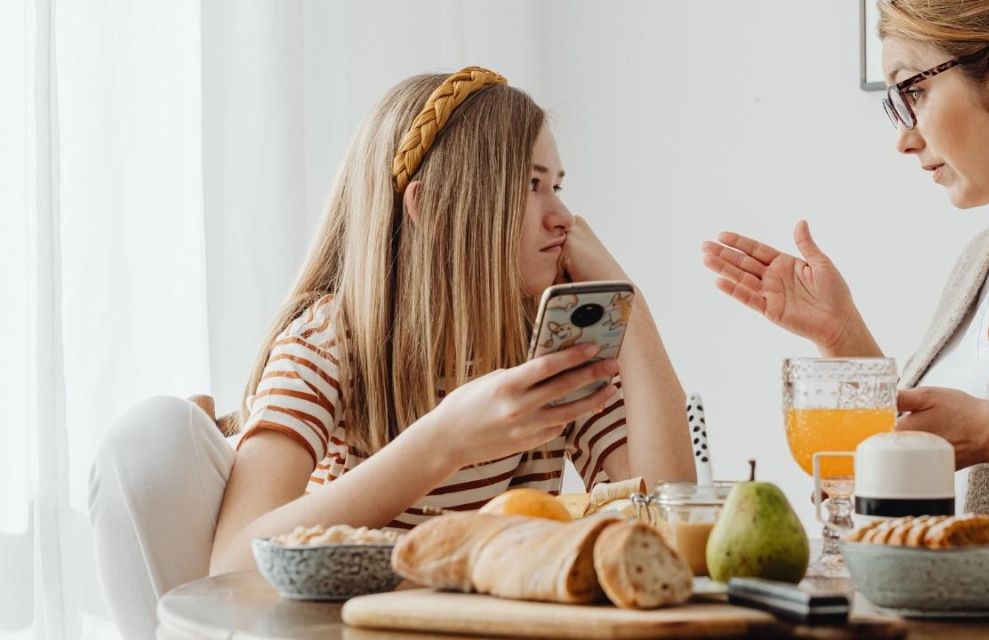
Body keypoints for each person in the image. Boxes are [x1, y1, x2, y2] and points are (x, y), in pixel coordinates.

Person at [90, 66, 695, 639]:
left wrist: (629, 303)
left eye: (557, 186)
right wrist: (447, 439)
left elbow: (670, 512)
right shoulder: (328, 339)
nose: (563, 217)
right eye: (531, 186)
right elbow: (233, 563)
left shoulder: (541, 346)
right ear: (430, 207)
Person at [702, 0, 989, 531]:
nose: (904, 140)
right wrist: (843, 336)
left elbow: (979, 430)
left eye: (914, 92)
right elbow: (923, 456)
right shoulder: (981, 261)